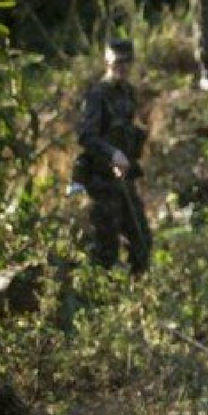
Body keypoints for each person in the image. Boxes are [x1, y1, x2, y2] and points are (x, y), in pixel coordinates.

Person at [74, 39, 152, 274]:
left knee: (142, 242)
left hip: (124, 180)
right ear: (107, 62)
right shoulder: (97, 95)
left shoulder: (128, 92)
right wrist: (113, 154)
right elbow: (87, 137)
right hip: (102, 183)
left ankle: (137, 300)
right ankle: (100, 303)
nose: (122, 67)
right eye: (117, 62)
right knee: (105, 252)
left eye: (127, 62)